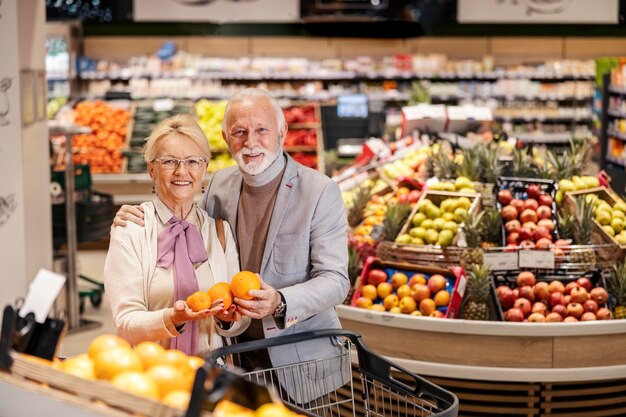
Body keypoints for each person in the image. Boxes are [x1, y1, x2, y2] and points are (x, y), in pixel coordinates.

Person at [113, 88, 349, 403]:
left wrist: (279, 301)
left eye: (261, 130)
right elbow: (194, 241)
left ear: (282, 131)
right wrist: (133, 217)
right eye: (240, 132)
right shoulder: (220, 188)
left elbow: (336, 280)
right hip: (235, 359)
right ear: (226, 138)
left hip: (299, 357)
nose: (250, 142)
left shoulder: (320, 192)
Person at [104, 114, 249, 357]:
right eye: (170, 161)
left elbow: (240, 318)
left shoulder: (219, 232)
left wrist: (227, 319)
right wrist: (172, 318)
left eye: (193, 161)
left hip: (211, 374)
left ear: (204, 169)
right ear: (152, 170)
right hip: (153, 375)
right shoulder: (132, 229)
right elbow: (125, 323)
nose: (182, 171)